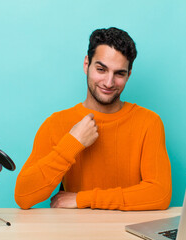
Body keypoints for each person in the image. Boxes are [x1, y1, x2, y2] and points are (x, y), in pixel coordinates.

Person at [15, 27, 172, 210]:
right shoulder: (56, 123)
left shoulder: (148, 122)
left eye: (119, 73)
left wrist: (82, 199)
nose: (108, 82)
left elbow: (160, 194)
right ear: (86, 64)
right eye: (101, 69)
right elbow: (23, 197)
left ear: (128, 75)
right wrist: (73, 143)